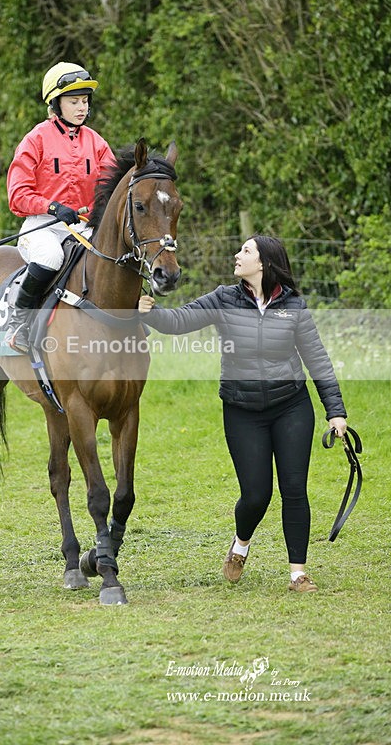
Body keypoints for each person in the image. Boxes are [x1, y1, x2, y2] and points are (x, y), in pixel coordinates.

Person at [139, 235, 348, 593]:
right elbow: (179, 321)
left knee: (294, 489)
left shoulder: (293, 305)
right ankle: (241, 544)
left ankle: (298, 572)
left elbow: (316, 358)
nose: (238, 255)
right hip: (243, 410)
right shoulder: (223, 298)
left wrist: (336, 411)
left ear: (264, 263)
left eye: (246, 252)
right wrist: (151, 312)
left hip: (291, 405)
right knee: (256, 495)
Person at [4, 61, 116, 352]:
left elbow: (110, 193)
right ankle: (19, 325)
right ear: (56, 103)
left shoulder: (98, 143)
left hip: (82, 228)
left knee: (113, 257)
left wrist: (90, 212)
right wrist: (53, 208)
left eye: (85, 101)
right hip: (41, 226)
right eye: (73, 101)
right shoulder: (35, 139)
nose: (82, 107)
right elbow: (17, 196)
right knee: (52, 257)